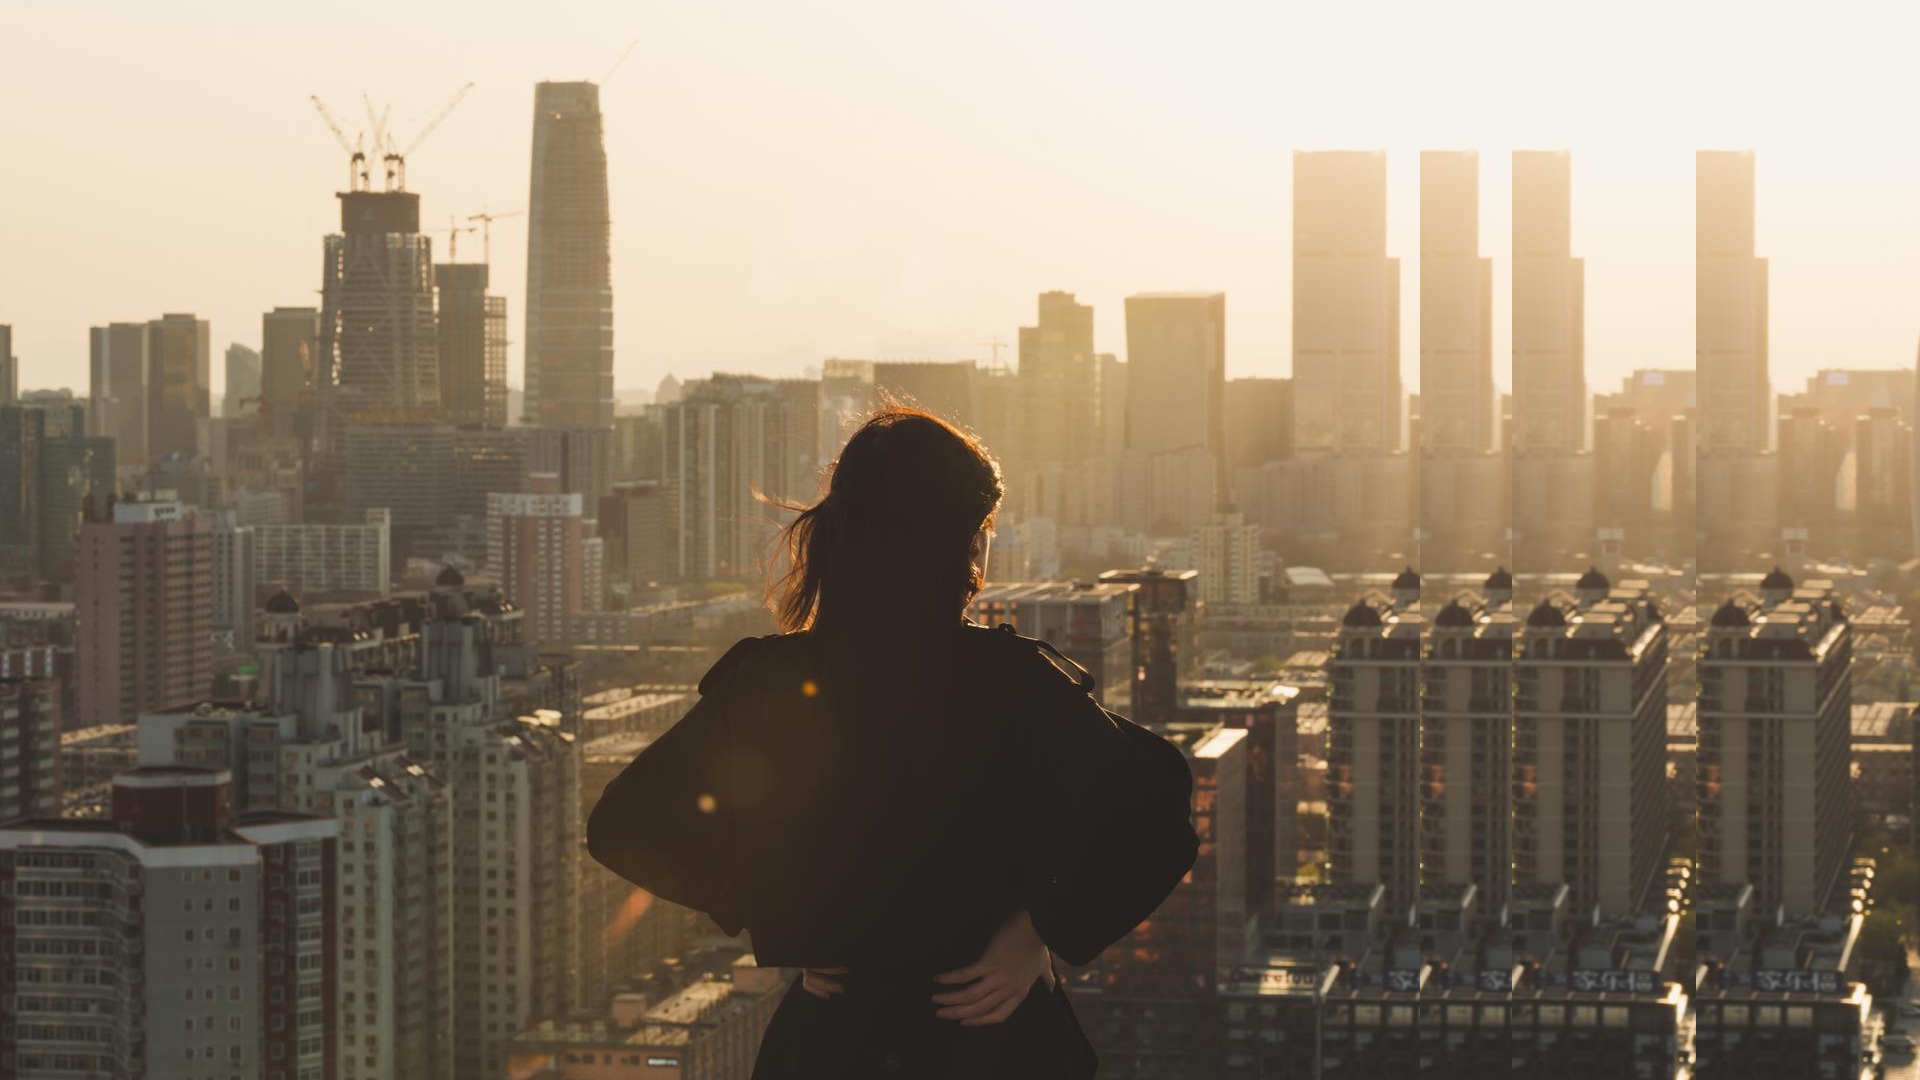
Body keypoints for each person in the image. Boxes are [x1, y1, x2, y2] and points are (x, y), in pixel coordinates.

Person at [587, 406, 1198, 1079]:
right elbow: (1159, 813)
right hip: (992, 1046)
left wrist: (775, 911)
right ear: (962, 542)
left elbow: (626, 823)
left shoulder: (768, 681)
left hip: (832, 1045)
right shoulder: (1014, 683)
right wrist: (1035, 933)